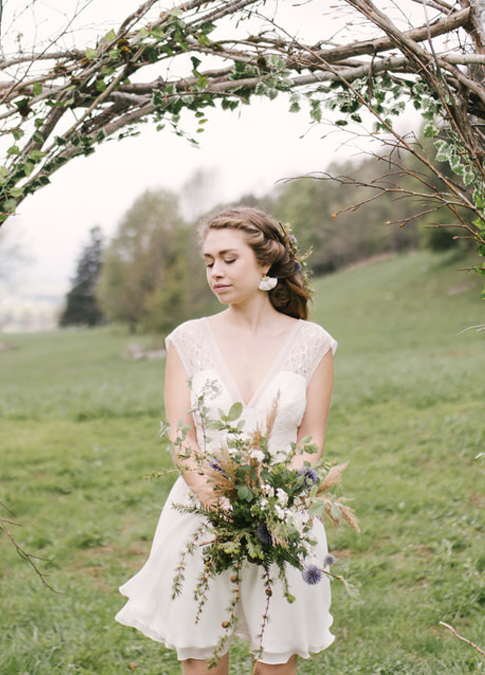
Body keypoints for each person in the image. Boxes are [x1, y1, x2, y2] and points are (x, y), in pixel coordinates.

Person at [116, 206, 337, 675]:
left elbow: (311, 437)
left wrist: (282, 497)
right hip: (200, 515)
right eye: (209, 261)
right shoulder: (188, 339)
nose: (215, 271)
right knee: (203, 656)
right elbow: (182, 435)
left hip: (284, 515)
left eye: (228, 258)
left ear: (265, 264)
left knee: (276, 656)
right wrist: (213, 500)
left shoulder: (313, 343)